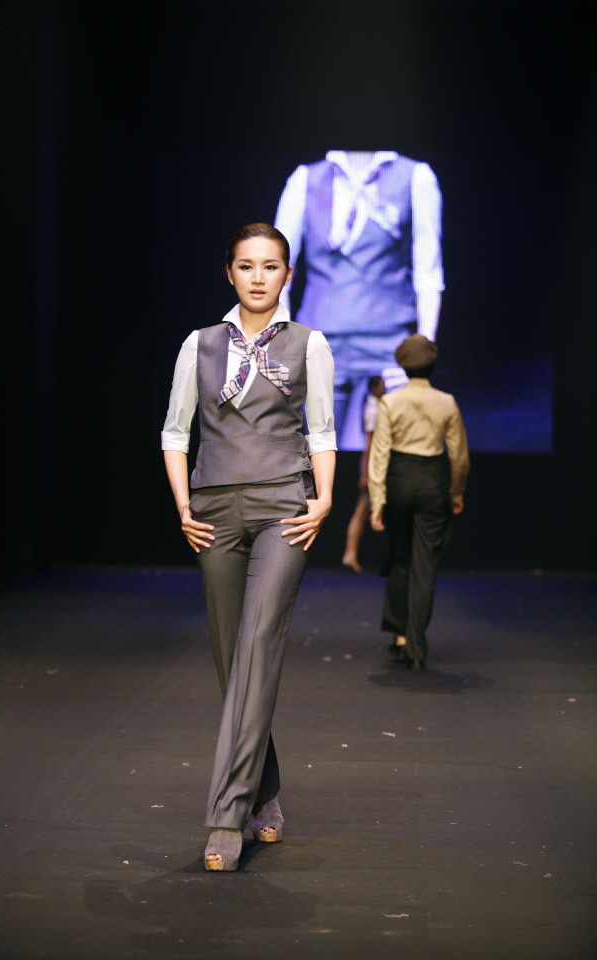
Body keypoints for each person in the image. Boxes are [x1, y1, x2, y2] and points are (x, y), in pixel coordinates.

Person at [162, 223, 336, 871]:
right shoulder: (200, 344)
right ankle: (265, 790)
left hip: (284, 508)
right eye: (246, 265)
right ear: (229, 273)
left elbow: (322, 429)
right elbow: (175, 432)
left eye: (270, 266)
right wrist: (184, 507)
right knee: (231, 658)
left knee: (258, 644)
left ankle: (226, 818)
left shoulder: (309, 344)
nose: (258, 277)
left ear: (288, 274)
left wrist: (323, 499)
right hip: (212, 514)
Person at [275, 150, 443, 450]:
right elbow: (276, 268)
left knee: (397, 454)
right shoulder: (306, 179)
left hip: (390, 344)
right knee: (317, 452)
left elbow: (428, 270)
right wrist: (283, 340)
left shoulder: (415, 176)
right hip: (321, 341)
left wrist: (422, 351)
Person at [368, 335, 469, 670]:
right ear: (433, 364)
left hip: (399, 480)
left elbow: (379, 455)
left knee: (401, 559)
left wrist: (377, 501)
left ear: (402, 365)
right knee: (425, 564)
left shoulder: (390, 402)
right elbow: (459, 457)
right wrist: (456, 493)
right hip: (433, 481)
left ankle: (400, 636)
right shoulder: (447, 401)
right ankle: (416, 644)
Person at [342, 375, 386, 573]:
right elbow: (369, 444)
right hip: (375, 467)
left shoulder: (376, 407)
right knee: (362, 510)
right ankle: (349, 554)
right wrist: (365, 473)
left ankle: (350, 554)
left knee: (364, 509)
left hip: (376, 466)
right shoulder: (372, 409)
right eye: (382, 386)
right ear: (374, 388)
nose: (385, 389)